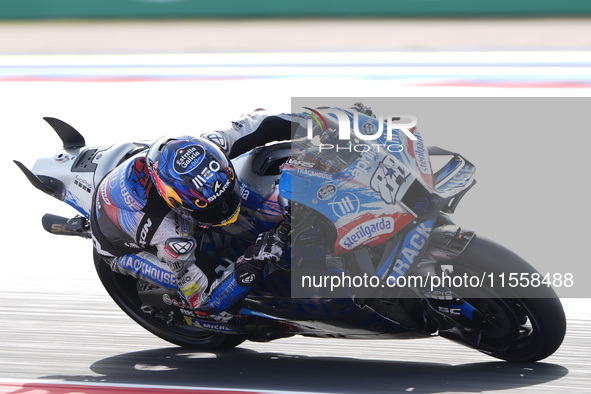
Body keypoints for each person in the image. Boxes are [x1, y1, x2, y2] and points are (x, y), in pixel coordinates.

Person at [90, 109, 297, 314]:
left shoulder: (209, 146)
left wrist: (317, 122)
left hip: (141, 172)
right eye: (210, 209)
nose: (225, 210)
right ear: (176, 205)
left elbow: (262, 123)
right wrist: (254, 260)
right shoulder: (168, 234)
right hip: (121, 248)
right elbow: (204, 300)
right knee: (224, 305)